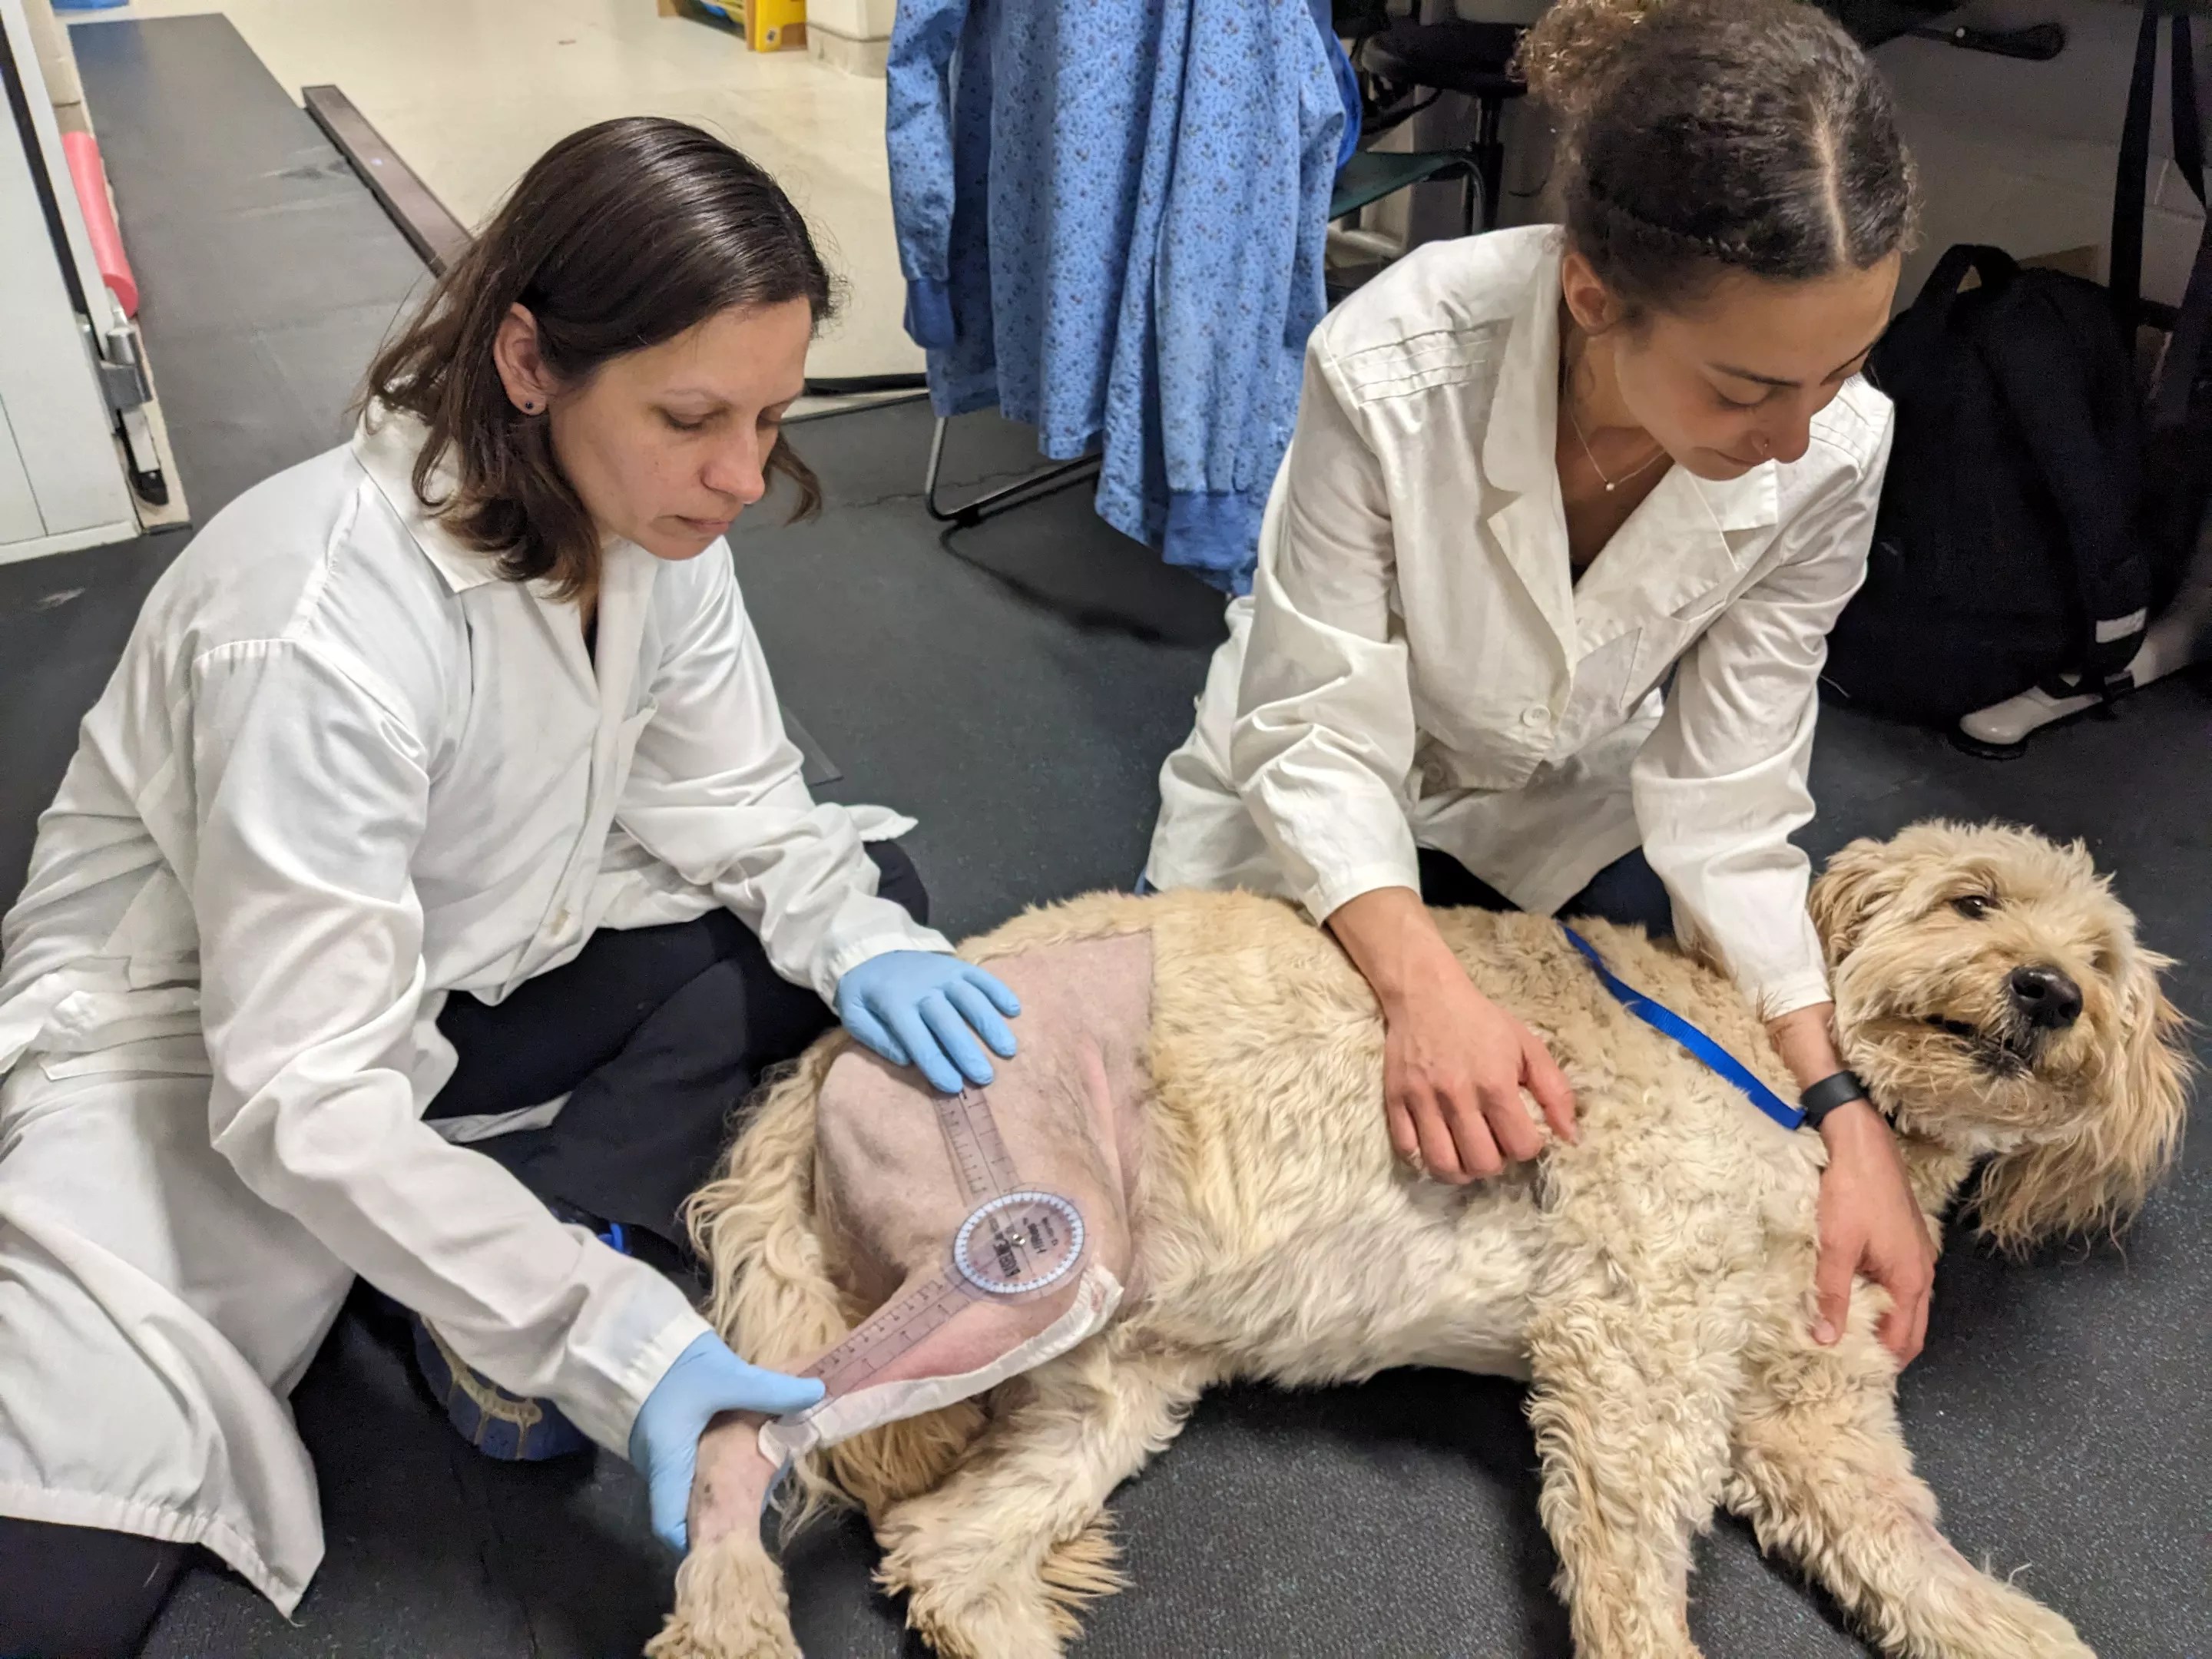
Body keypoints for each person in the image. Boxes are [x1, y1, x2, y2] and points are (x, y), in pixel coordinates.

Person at [0, 118, 1021, 1657]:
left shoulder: (655, 514)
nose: (743, 476)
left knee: (863, 887)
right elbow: (300, 1088)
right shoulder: (315, 625)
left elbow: (735, 796)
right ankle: (497, 1255)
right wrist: (613, 1341)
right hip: (204, 1038)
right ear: (530, 362)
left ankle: (525, 1212)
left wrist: (864, 936)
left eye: (772, 416)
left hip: (464, 954)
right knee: (64, 1567)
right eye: (693, 417)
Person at [1145, 0, 1939, 1369]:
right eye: (1746, 387)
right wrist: (1421, 991)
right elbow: (1315, 720)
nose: (1795, 434)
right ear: (1592, 297)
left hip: (1559, 788)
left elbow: (1732, 795)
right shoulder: (1392, 362)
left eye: (1846, 368)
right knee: (1213, 1122)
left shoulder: (1832, 445)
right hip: (1327, 761)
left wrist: (1839, 1107)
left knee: (1691, 1099)